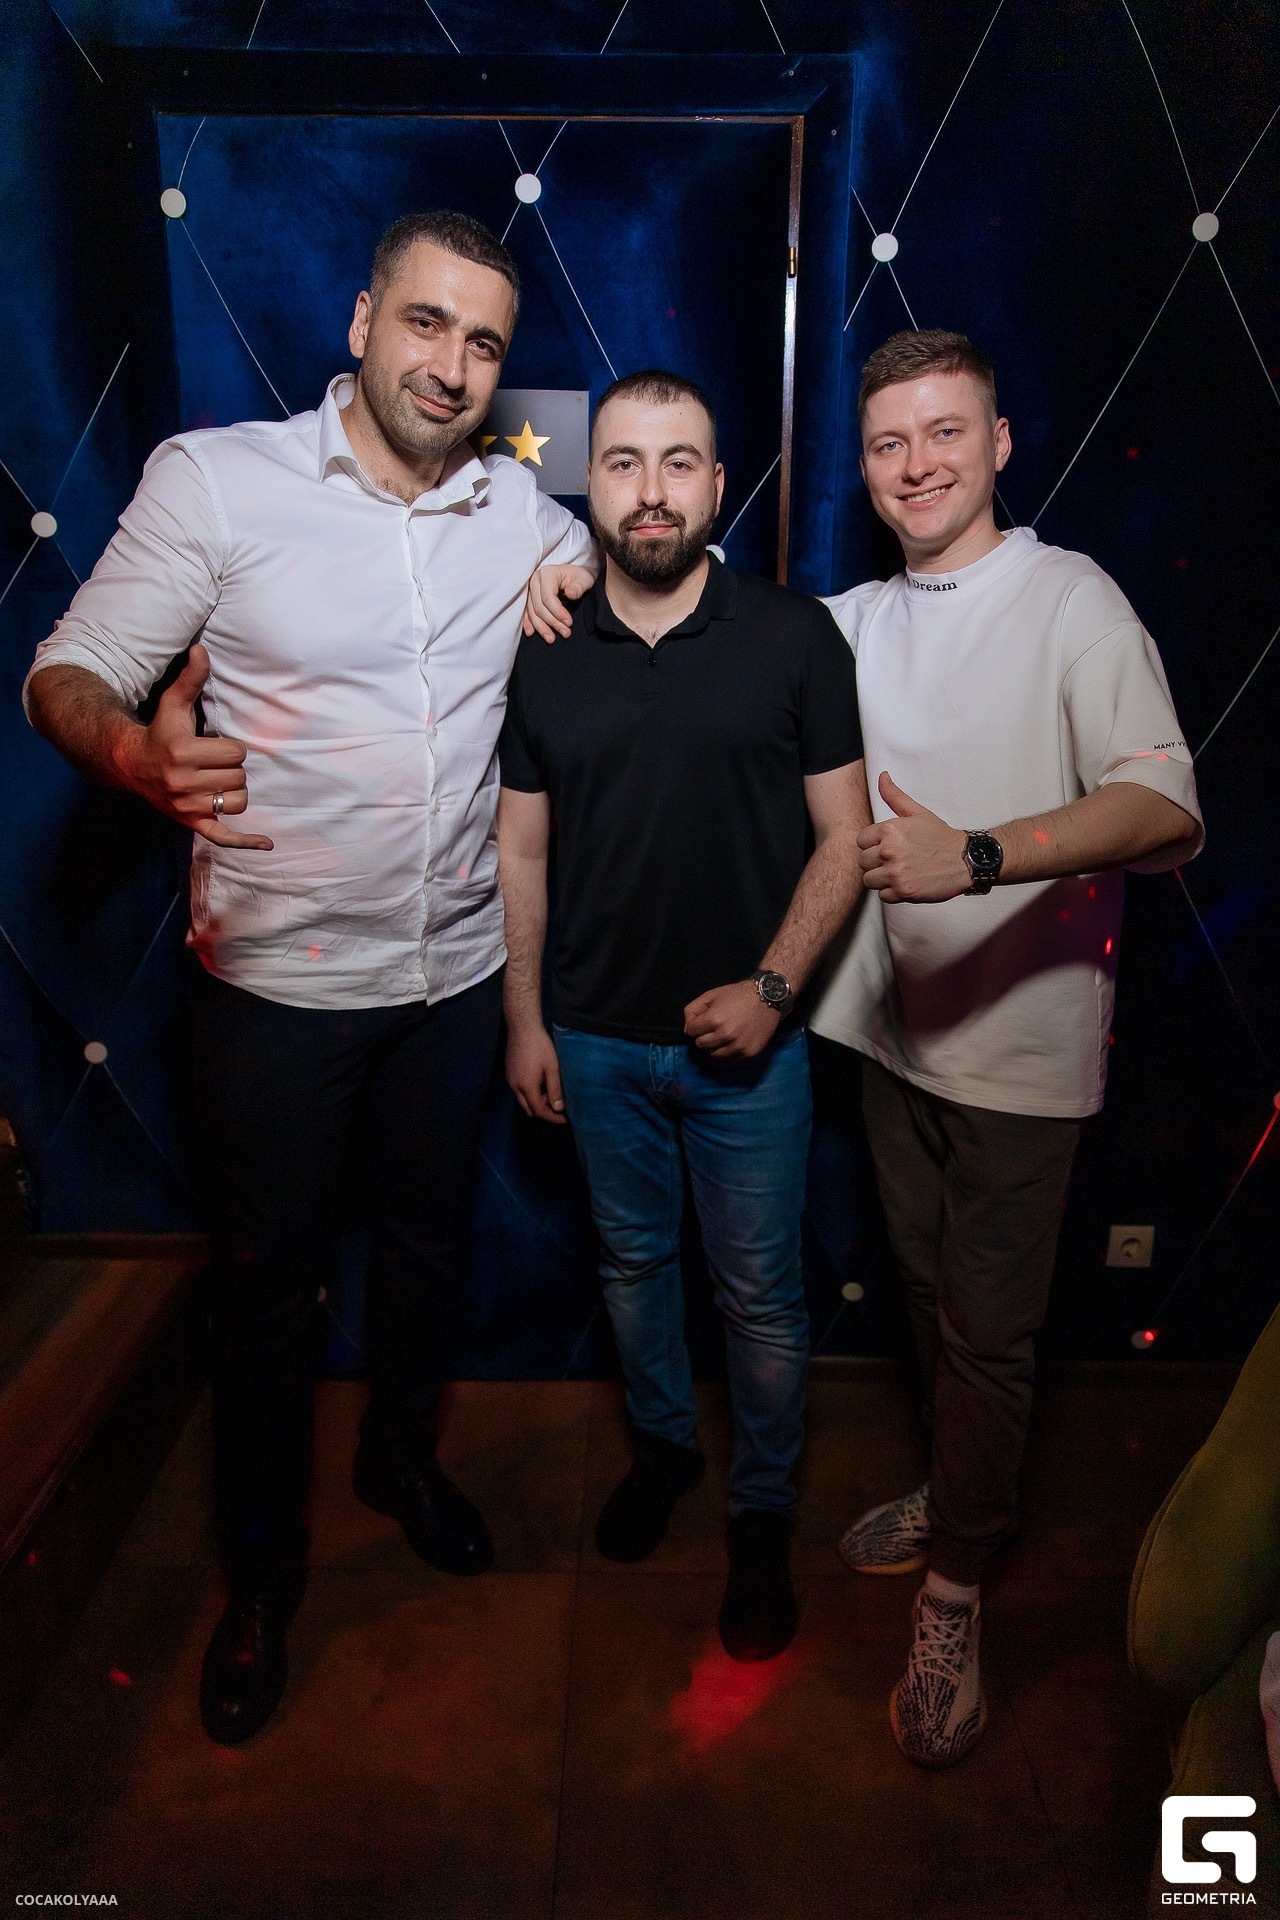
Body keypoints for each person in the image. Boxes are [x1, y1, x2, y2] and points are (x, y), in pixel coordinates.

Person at [24, 209, 594, 1745]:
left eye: (483, 341)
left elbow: (646, 571)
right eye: (426, 322)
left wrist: (616, 557)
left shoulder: (521, 513)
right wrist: (136, 757)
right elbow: (65, 672)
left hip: (454, 979)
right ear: (360, 321)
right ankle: (262, 1579)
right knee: (268, 1294)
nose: (451, 364)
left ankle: (401, 1462)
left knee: (427, 1251)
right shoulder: (220, 482)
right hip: (276, 991)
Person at [812, 329, 1203, 1765]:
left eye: (945, 432)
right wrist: (557, 574)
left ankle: (958, 1590)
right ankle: (960, 1493)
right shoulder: (857, 618)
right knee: (928, 1297)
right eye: (889, 442)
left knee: (987, 1332)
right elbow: (707, 638)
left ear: (999, 444)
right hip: (891, 1035)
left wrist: (976, 853)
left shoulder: (1069, 599)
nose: (917, 464)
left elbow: (1164, 805)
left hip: (1021, 1057)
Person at [497, 369, 869, 1661]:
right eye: (623, 463)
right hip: (595, 1039)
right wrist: (526, 1022)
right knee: (633, 1267)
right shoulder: (543, 648)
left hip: (751, 1052)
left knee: (759, 1296)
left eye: (678, 463)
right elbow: (522, 851)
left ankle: (761, 1511)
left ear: (716, 483)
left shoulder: (796, 637)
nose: (650, 491)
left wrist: (773, 993)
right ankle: (663, 1449)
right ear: (588, 485)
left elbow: (846, 839)